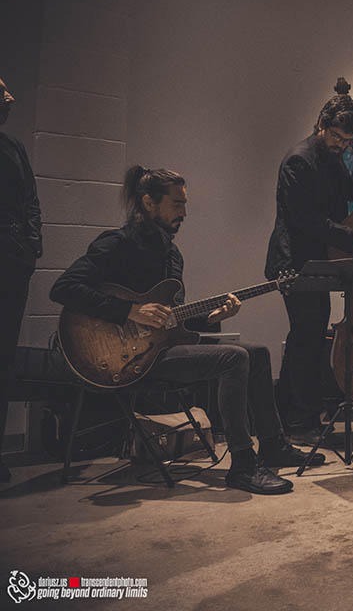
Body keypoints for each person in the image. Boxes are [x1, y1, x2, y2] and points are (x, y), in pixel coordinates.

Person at [52, 166, 322, 494]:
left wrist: (211, 317)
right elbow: (64, 288)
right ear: (148, 202)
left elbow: (172, 321)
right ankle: (242, 464)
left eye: (184, 204)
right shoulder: (116, 244)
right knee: (234, 358)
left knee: (258, 353)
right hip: (125, 360)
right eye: (176, 204)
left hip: (160, 350)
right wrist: (131, 311)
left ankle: (272, 445)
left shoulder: (172, 255)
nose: (184, 213)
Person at [265, 78, 353, 440]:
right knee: (306, 337)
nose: (340, 145)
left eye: (347, 141)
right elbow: (304, 221)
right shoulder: (298, 160)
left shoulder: (333, 158)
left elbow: (350, 192)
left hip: (315, 260)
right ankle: (297, 420)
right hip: (294, 261)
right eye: (336, 137)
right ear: (321, 124)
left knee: (309, 337)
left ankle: (293, 417)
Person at [0, 75, 41, 484]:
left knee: (3, 359)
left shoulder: (13, 147)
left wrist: (32, 250)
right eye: (1, 90)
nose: (10, 96)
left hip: (12, 263)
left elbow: (31, 200)